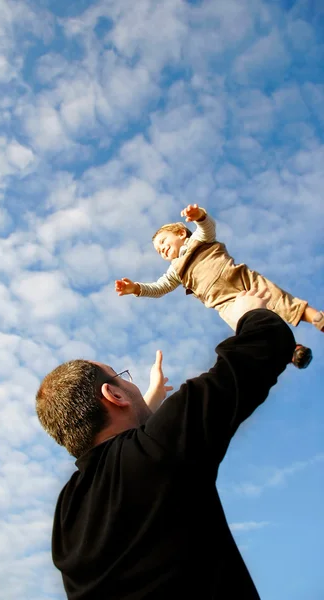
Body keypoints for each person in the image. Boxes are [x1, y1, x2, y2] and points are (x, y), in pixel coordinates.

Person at [36, 287, 296, 599]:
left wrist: (147, 401)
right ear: (114, 395)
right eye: (121, 377)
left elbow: (128, 455)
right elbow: (261, 347)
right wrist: (249, 312)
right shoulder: (158, 452)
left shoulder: (67, 515)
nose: (129, 382)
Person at [115, 204, 324, 369]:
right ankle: (292, 352)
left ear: (180, 233)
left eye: (163, 242)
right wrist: (136, 289)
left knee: (277, 299)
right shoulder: (175, 271)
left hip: (240, 279)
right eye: (159, 251)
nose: (162, 249)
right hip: (225, 304)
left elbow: (208, 227)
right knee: (254, 328)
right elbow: (160, 287)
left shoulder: (198, 240)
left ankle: (316, 318)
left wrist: (199, 216)